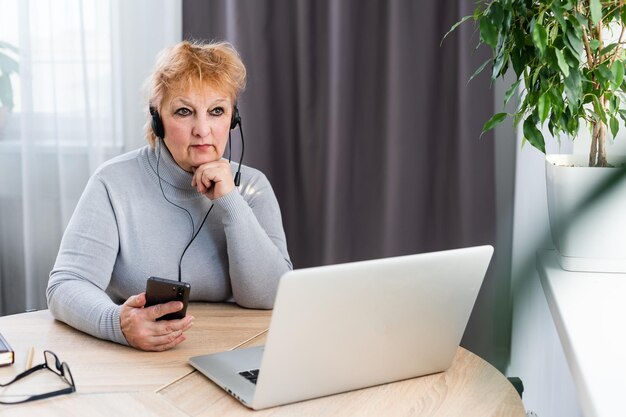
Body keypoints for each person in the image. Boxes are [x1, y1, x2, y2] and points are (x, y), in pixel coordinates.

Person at [47, 41, 292, 351]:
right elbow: (65, 285)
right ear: (157, 119)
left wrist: (231, 202)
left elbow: (271, 296)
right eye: (184, 112)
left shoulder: (252, 187)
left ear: (233, 120)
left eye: (217, 111)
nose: (203, 130)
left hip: (232, 351)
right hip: (134, 359)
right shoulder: (112, 183)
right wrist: (117, 323)